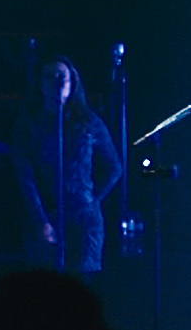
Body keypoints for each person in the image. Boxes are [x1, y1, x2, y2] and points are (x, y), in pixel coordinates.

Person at [28, 46, 126, 281]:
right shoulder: (29, 125)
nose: (58, 82)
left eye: (63, 76)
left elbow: (114, 167)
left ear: (73, 82)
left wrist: (93, 200)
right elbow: (25, 176)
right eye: (51, 76)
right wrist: (41, 218)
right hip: (47, 216)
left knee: (81, 288)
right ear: (40, 84)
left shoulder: (89, 122)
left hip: (84, 220)